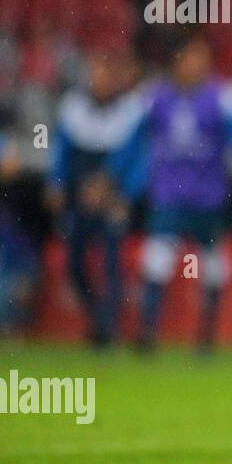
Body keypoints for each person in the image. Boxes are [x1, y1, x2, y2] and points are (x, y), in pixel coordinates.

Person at [110, 29, 232, 353]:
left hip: (209, 197)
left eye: (201, 55)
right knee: (157, 259)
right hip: (168, 196)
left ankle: (206, 336)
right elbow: (130, 145)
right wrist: (117, 186)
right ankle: (147, 334)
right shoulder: (152, 97)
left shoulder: (225, 97)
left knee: (214, 263)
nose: (198, 62)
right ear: (175, 61)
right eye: (191, 55)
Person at [46, 47, 145, 349]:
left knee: (112, 264)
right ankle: (96, 315)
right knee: (74, 264)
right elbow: (61, 151)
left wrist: (123, 195)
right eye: (95, 73)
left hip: (112, 200)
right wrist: (56, 183)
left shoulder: (131, 112)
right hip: (79, 199)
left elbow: (139, 160)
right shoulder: (73, 108)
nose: (99, 79)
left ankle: (107, 328)